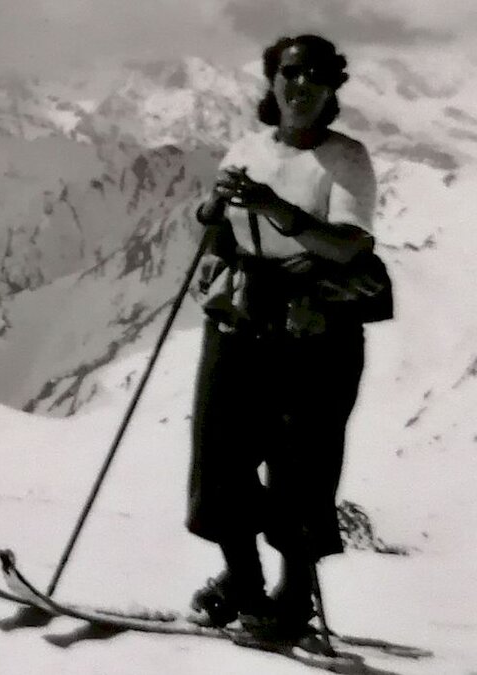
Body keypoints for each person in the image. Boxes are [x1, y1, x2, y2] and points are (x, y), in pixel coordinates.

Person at [185, 34, 378, 640]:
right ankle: (243, 586)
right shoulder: (245, 148)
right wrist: (212, 209)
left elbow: (348, 244)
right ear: (273, 81)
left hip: (315, 321)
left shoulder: (347, 158)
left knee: (303, 460)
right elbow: (219, 231)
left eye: (316, 75)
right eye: (291, 73)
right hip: (245, 312)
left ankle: (292, 599)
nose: (302, 85)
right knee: (221, 449)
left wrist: (275, 207)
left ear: (332, 88)